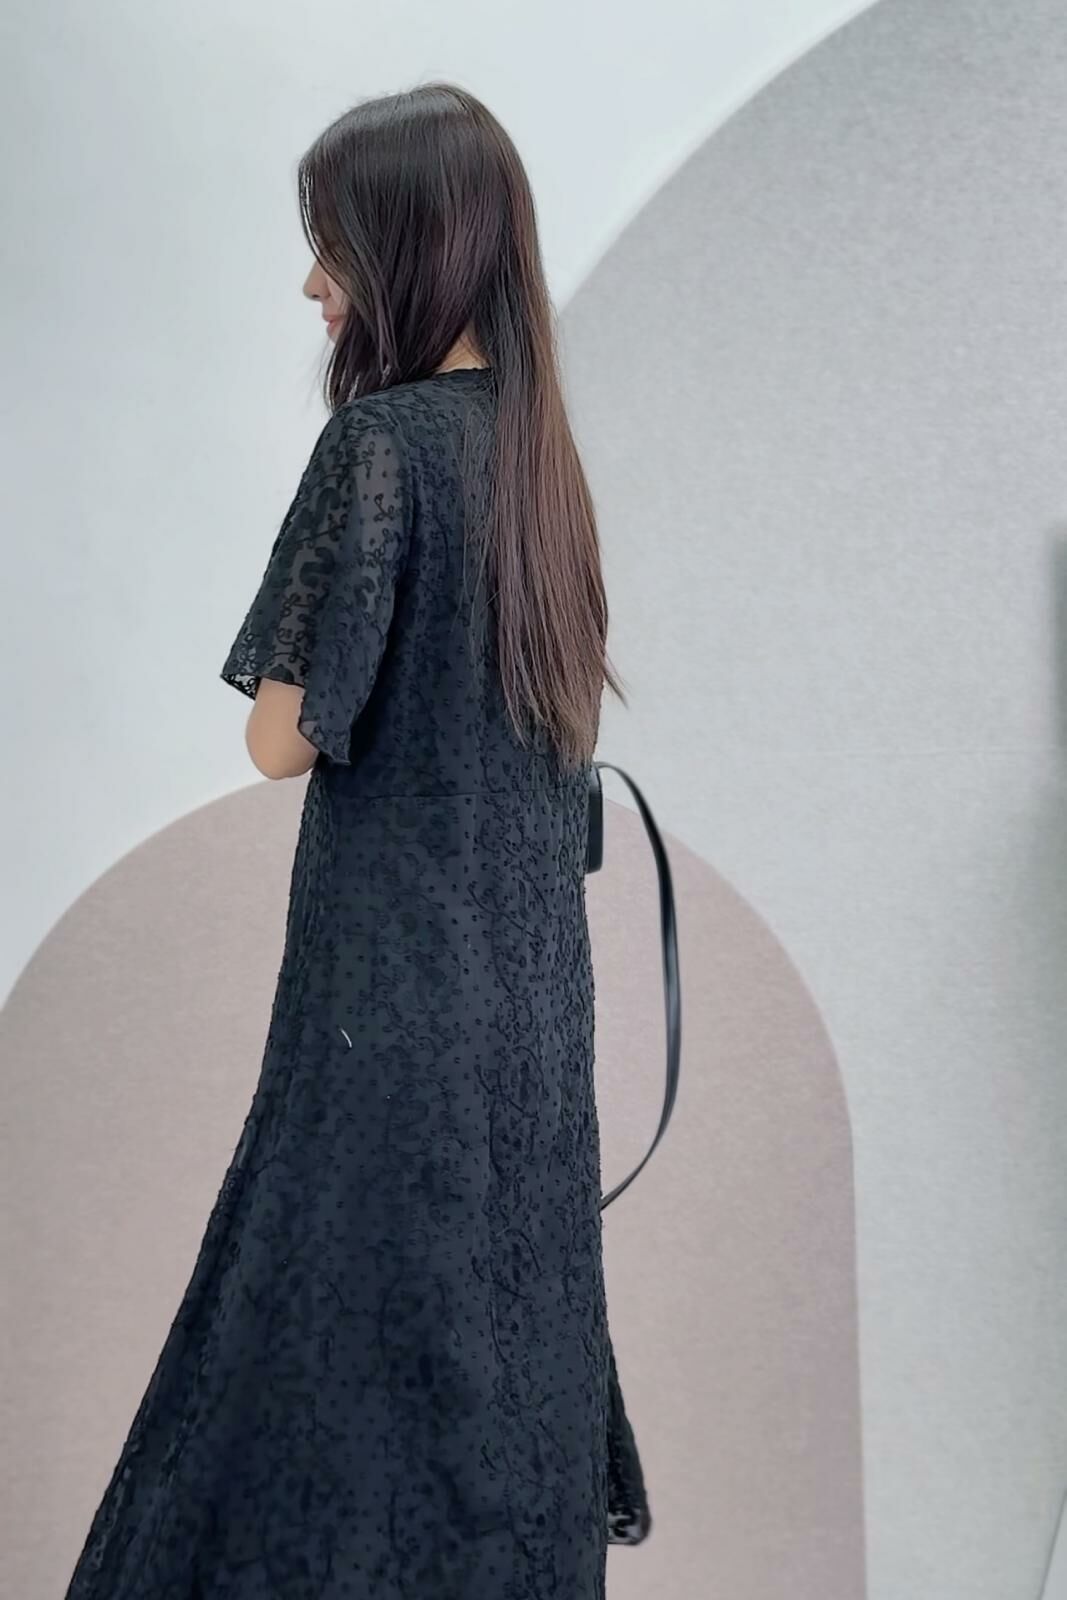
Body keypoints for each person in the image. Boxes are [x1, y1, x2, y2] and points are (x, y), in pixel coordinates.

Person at [63, 81, 632, 1600]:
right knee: (489, 1366)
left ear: (407, 249)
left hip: (388, 996)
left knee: (308, 1361)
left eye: (334, 246)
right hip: (531, 1015)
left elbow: (282, 737)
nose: (314, 284)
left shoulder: (380, 447)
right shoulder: (545, 467)